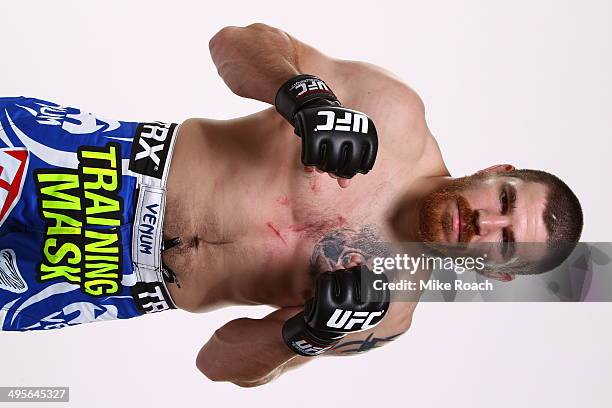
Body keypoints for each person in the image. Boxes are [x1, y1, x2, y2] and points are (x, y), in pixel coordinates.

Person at [0, 23, 582, 387]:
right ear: (495, 172)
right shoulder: (396, 113)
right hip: (86, 165)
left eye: (506, 238)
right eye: (505, 200)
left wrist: (305, 336)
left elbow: (218, 363)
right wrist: (303, 94)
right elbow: (232, 44)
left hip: (93, 282)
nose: (487, 220)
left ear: (497, 268)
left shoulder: (386, 316)